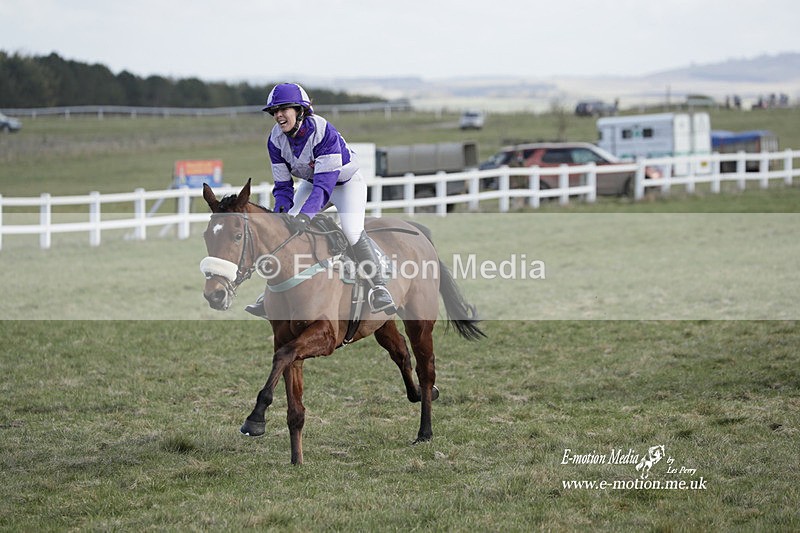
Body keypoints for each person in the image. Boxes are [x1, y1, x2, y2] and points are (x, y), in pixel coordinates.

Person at [245, 82, 395, 317]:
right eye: (275, 111)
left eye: (284, 109)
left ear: (301, 110)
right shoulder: (275, 140)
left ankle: (379, 287)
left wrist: (306, 217)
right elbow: (283, 186)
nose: (278, 116)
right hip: (314, 183)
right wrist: (282, 213)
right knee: (285, 228)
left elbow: (325, 187)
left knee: (351, 231)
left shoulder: (324, 133)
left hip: (346, 185)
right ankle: (271, 294)